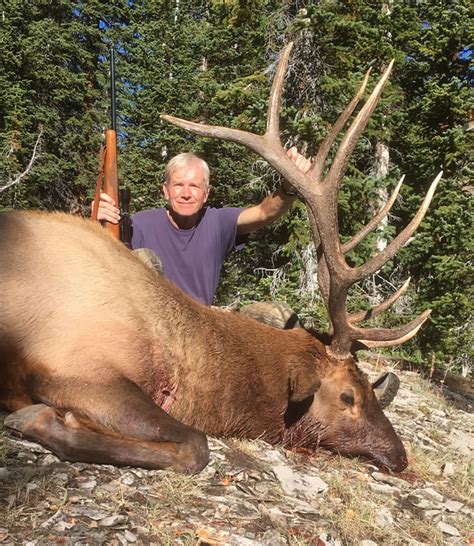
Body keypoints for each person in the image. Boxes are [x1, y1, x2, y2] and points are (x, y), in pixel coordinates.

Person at [94, 147, 311, 305]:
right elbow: (105, 265)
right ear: (165, 190)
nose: (186, 194)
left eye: (195, 186)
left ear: (206, 194)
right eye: (178, 185)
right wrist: (98, 222)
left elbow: (264, 213)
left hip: (200, 328)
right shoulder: (138, 224)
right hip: (151, 325)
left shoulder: (217, 222)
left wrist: (288, 188)